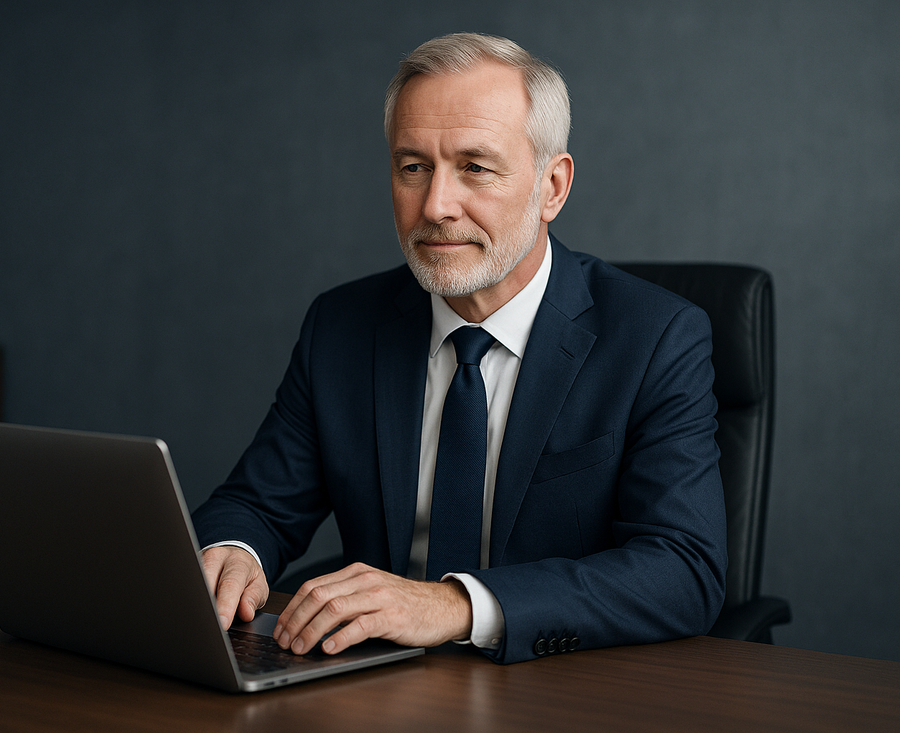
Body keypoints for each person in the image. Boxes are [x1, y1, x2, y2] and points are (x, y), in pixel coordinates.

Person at [192, 32, 726, 665]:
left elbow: (684, 569)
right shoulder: (342, 326)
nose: (436, 205)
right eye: (413, 167)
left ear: (552, 186)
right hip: (372, 682)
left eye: (475, 167)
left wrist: (455, 605)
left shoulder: (656, 336)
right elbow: (257, 503)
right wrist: (231, 552)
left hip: (559, 688)